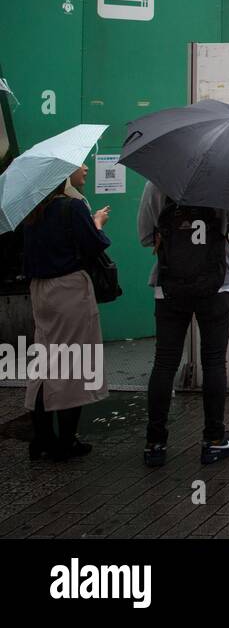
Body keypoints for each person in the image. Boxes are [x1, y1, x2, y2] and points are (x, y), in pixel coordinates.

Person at [138, 181, 229, 467]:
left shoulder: (157, 182)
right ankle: (213, 441)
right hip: (216, 284)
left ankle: (155, 444)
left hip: (169, 284)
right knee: (214, 362)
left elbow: (145, 236)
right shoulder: (227, 180)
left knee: (164, 362)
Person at [20, 166, 111, 460]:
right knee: (74, 363)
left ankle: (42, 439)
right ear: (62, 176)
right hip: (69, 291)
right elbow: (95, 245)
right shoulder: (72, 208)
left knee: (45, 362)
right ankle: (67, 441)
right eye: (77, 165)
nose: (84, 168)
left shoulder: (32, 212)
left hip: (41, 292)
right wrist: (97, 222)